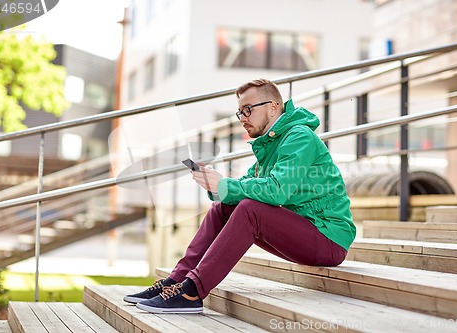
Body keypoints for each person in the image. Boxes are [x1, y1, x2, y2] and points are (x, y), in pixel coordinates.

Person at [124, 78, 356, 314]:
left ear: (273, 106)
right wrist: (216, 184)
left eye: (248, 110)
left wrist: (226, 186)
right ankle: (175, 283)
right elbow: (246, 185)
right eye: (239, 112)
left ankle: (192, 291)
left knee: (249, 209)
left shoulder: (299, 138)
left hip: (328, 238)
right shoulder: (271, 145)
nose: (243, 118)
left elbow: (277, 191)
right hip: (305, 231)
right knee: (223, 208)